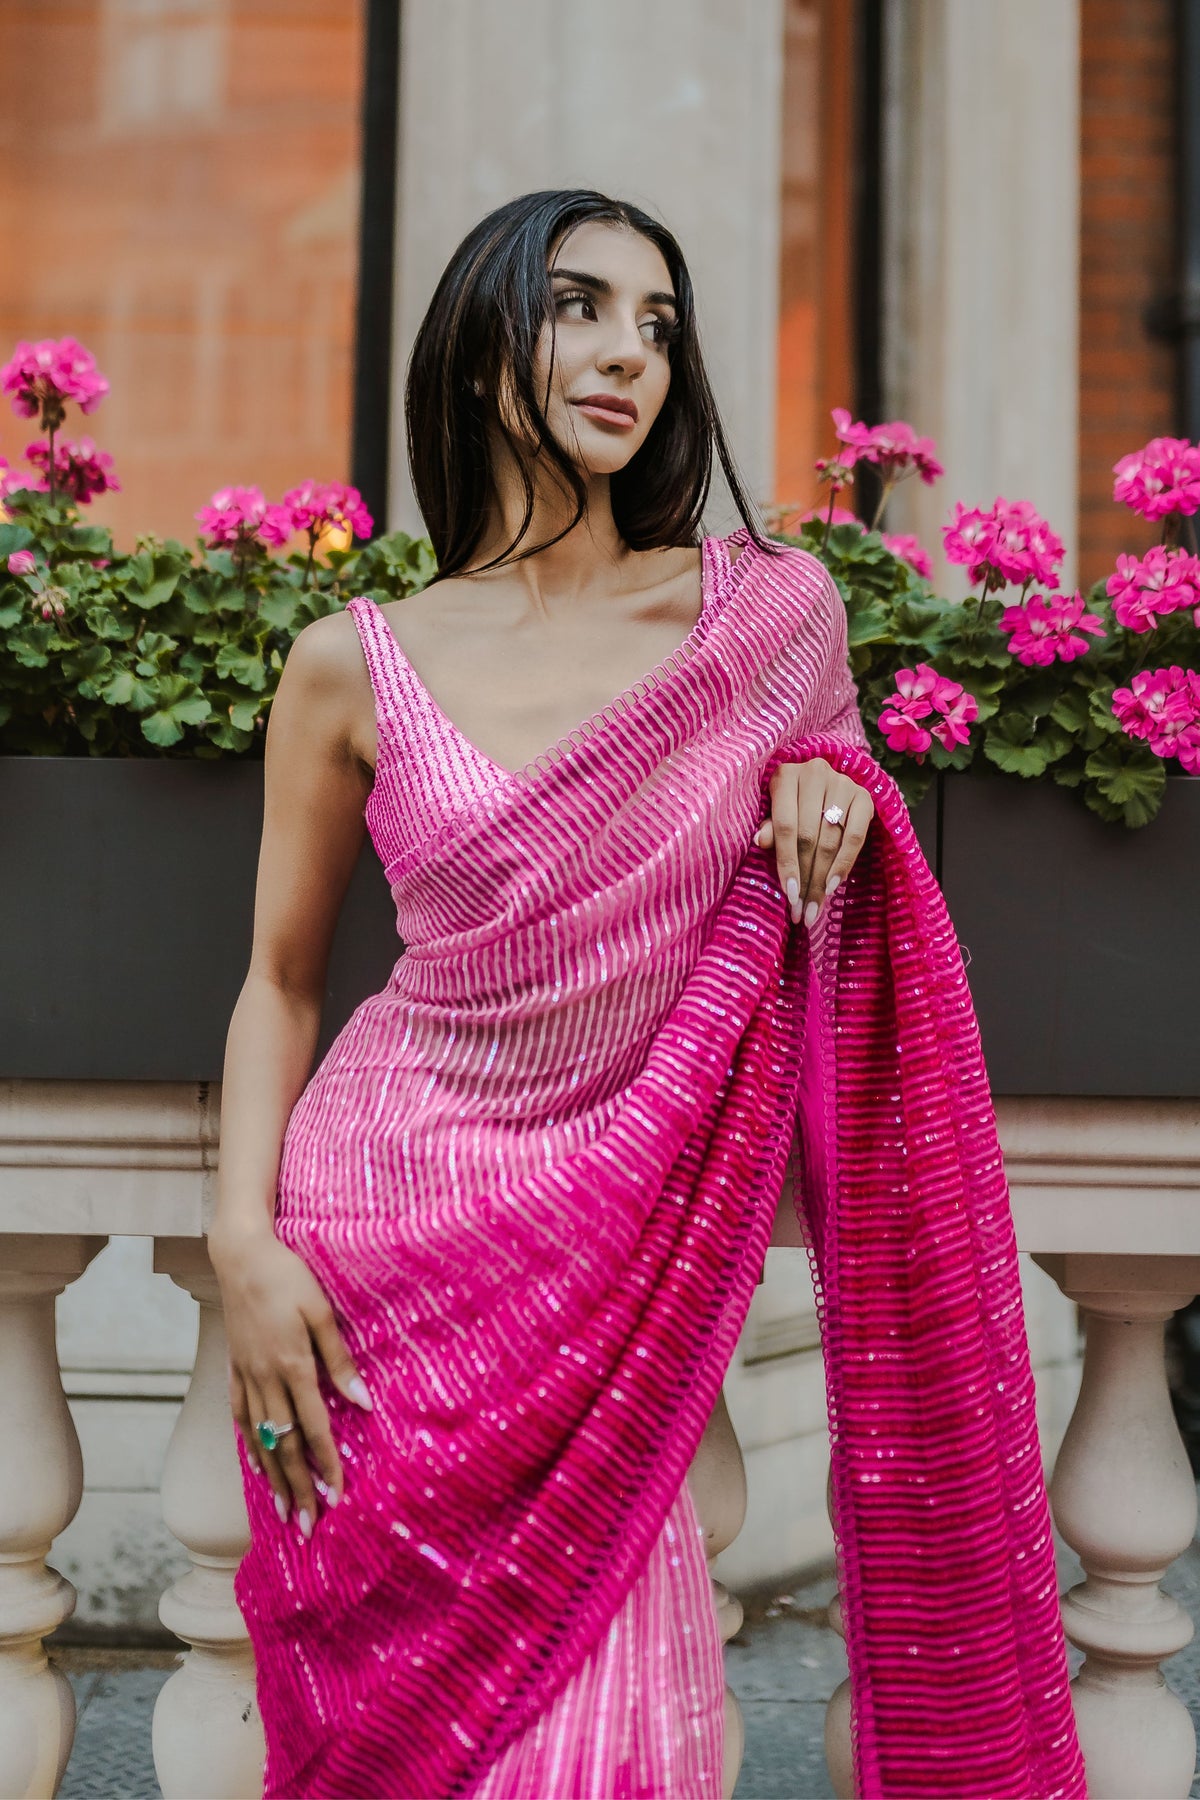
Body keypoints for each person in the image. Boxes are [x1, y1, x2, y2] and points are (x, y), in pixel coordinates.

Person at [209, 190, 1085, 1800]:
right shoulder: (353, 661)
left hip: (617, 1266)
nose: (631, 355)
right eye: (581, 308)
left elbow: (837, 819)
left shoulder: (766, 619)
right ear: (483, 347)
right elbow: (278, 980)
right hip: (372, 1283)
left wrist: (834, 785)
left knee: (628, 1745)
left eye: (660, 326)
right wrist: (242, 1247)